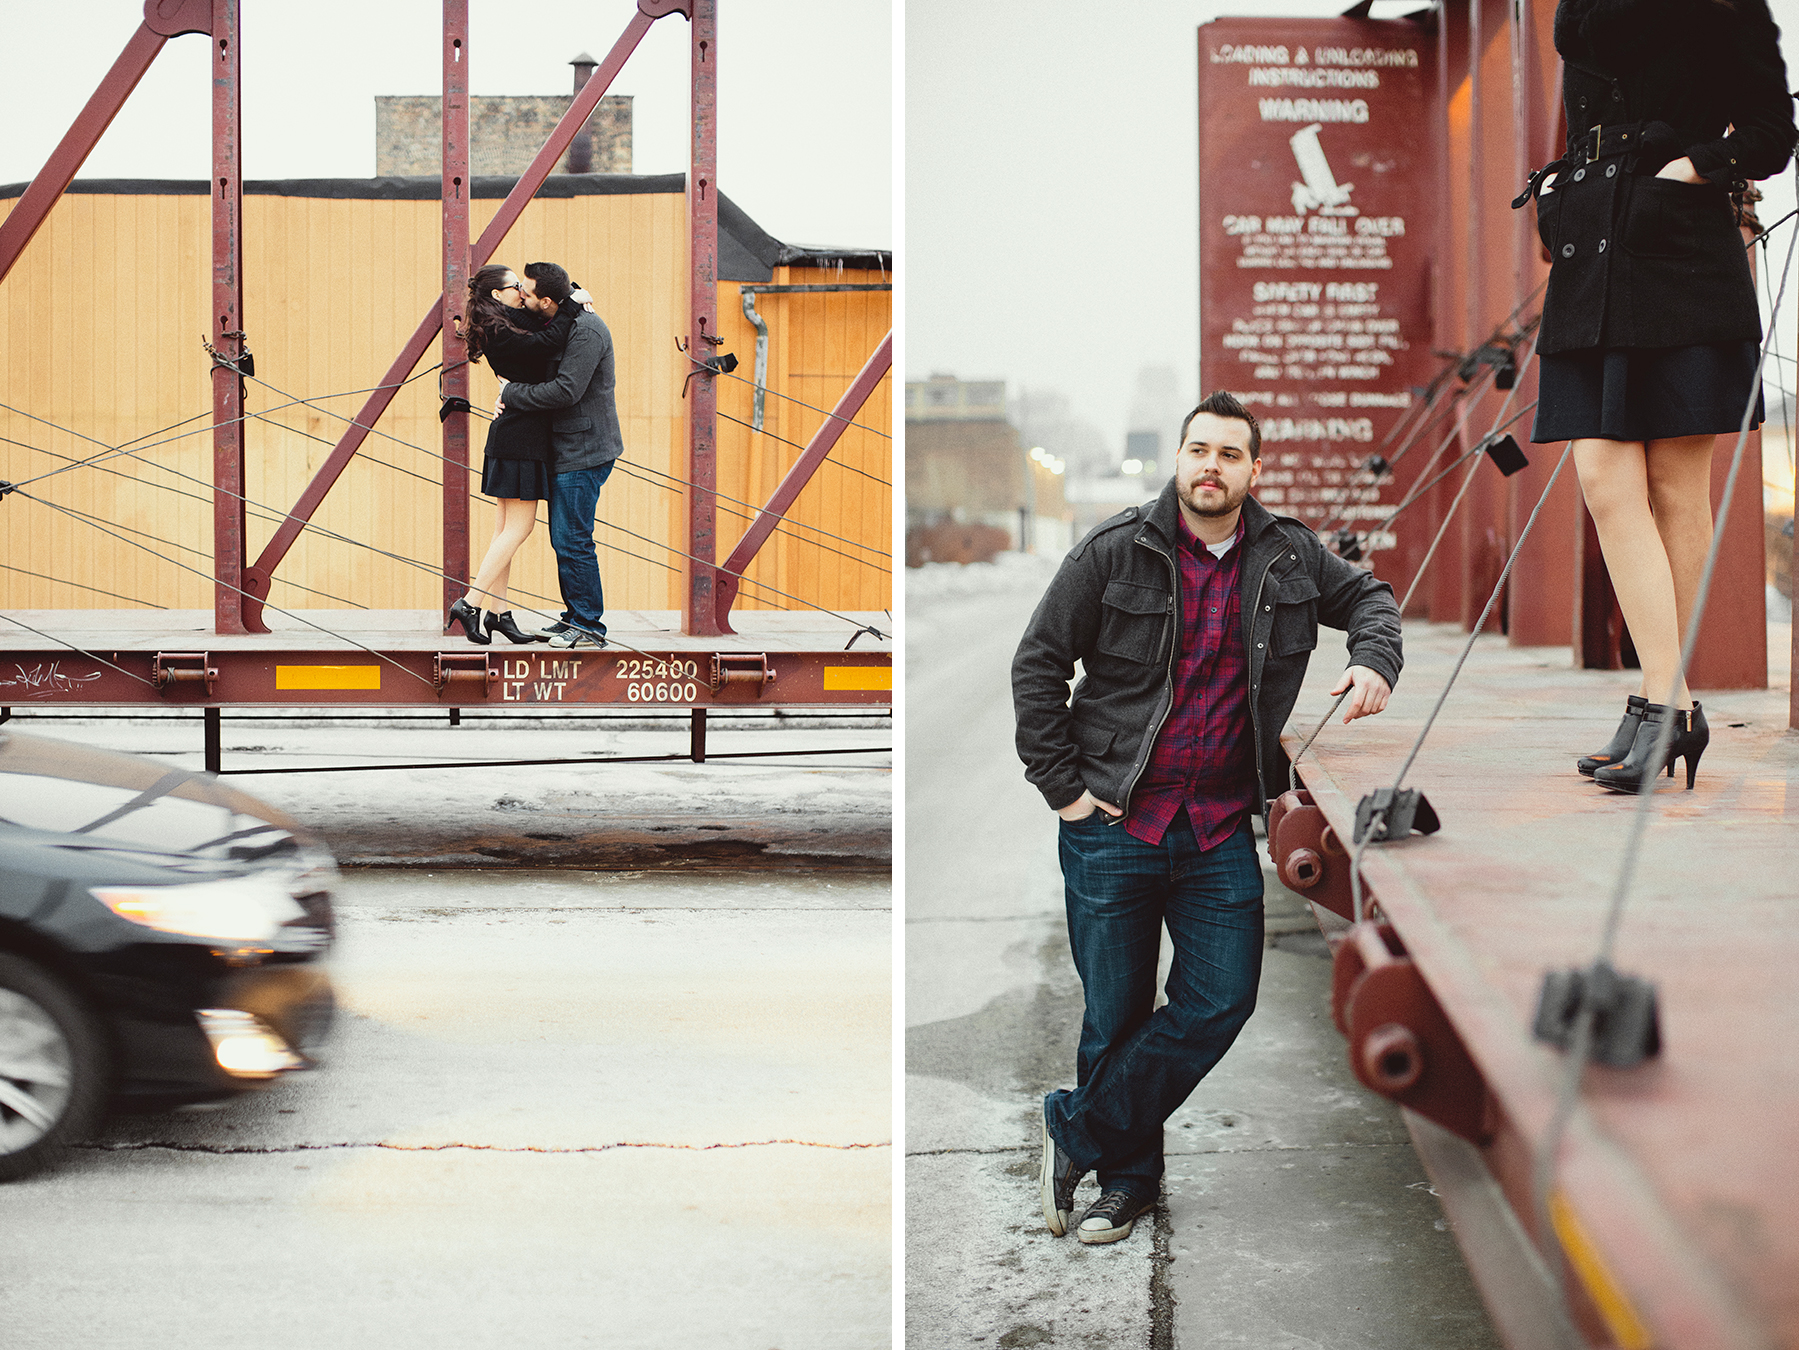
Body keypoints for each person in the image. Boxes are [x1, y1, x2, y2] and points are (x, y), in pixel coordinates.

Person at [1012, 391, 1402, 1245]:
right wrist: (1064, 791)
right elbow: (1037, 664)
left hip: (1218, 826)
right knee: (1114, 1015)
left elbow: (1371, 598)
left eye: (1229, 454)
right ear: (1179, 459)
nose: (1211, 467)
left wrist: (1374, 659)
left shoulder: (1288, 555)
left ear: (1253, 469)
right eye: (1199, 450)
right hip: (1114, 824)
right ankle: (1126, 1183)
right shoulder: (1113, 551)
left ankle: (1074, 1130)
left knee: (1220, 1000)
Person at [1520, 0, 1794, 790]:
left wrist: (1693, 168)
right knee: (1604, 480)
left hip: (1678, 254)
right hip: (1593, 257)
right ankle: (1671, 704)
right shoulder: (1580, 11)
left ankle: (1657, 702)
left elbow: (1771, 135)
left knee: (1676, 488)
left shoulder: (1724, 7)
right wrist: (1559, 189)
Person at [446, 264, 582, 645]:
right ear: (497, 294)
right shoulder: (498, 330)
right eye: (515, 286)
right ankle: (470, 604)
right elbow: (547, 342)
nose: (522, 291)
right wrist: (573, 305)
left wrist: (567, 295)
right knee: (520, 529)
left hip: (514, 432)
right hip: (521, 436)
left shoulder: (504, 320)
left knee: (503, 531)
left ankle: (499, 614)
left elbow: (541, 317)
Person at [494, 261, 625, 650]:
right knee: (565, 538)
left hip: (584, 449)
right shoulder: (558, 319)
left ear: (547, 300)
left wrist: (510, 393)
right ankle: (574, 616)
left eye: (527, 292)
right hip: (566, 447)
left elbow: (566, 390)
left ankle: (588, 626)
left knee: (573, 539)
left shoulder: (587, 331)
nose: (521, 296)